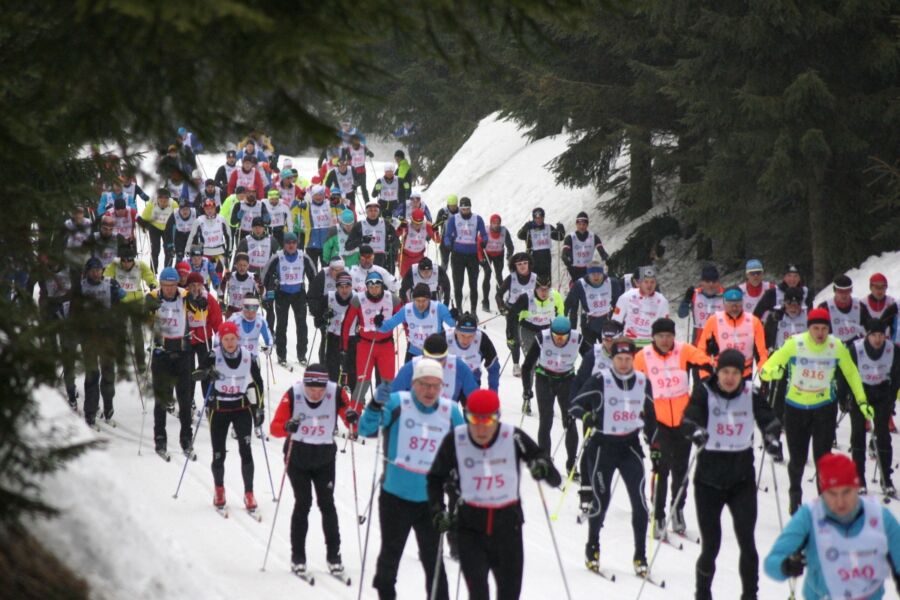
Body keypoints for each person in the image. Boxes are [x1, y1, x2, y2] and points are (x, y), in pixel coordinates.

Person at [427, 389, 561, 600]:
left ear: (497, 418)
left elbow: (553, 475)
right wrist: (437, 510)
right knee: (478, 594)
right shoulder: (456, 440)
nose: (481, 427)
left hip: (508, 531)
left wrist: (542, 467)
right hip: (470, 531)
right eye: (474, 419)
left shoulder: (513, 436)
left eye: (488, 420)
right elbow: (434, 478)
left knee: (509, 594)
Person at [358, 358, 465, 600]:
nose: (429, 391)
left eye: (435, 386)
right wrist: (375, 405)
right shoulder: (398, 403)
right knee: (389, 559)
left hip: (431, 502)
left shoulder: (451, 412)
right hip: (395, 497)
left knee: (434, 564)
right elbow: (365, 430)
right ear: (414, 384)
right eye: (424, 384)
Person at [680, 349, 782, 600]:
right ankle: (702, 594)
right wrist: (695, 431)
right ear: (717, 371)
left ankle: (750, 595)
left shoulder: (751, 393)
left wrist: (771, 438)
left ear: (742, 374)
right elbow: (689, 417)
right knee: (711, 546)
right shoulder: (704, 391)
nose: (729, 377)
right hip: (708, 482)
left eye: (735, 373)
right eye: (725, 372)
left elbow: (769, 419)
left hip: (741, 481)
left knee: (747, 543)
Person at [760, 307, 873, 514]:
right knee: (798, 460)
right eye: (816, 329)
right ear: (809, 328)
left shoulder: (836, 346)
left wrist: (862, 400)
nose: (820, 333)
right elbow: (766, 369)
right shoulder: (794, 344)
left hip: (824, 409)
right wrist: (772, 372)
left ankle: (824, 503)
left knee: (824, 459)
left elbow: (852, 374)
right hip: (796, 409)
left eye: (824, 329)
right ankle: (795, 498)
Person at [569, 337, 656, 576]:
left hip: (629, 448)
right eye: (620, 359)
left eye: (629, 359)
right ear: (613, 359)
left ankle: (640, 557)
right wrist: (587, 417)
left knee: (640, 505)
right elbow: (575, 404)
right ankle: (592, 547)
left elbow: (651, 417)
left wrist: (656, 445)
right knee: (601, 501)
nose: (624, 363)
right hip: (602, 448)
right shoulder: (601, 380)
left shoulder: (642, 382)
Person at [764, 452, 900, 600]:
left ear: (856, 487)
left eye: (846, 492)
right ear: (822, 491)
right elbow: (772, 562)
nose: (840, 502)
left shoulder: (880, 517)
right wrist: (786, 566)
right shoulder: (809, 516)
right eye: (832, 494)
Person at [269, 364, 360, 576]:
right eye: (312, 390)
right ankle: (298, 557)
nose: (317, 394)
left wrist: (352, 419)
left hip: (324, 457)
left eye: (320, 390)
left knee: (327, 504)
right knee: (303, 503)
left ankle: (334, 556)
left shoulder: (336, 392)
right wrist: (286, 427)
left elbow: (350, 418)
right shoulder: (293, 393)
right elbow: (275, 427)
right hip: (297, 456)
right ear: (305, 384)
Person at [633, 317, 712, 538]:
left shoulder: (684, 350)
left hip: (683, 421)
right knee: (661, 467)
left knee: (681, 470)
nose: (665, 340)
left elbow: (705, 363)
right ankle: (658, 514)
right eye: (660, 336)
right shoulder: (643, 356)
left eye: (668, 336)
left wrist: (707, 377)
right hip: (656, 422)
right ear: (653, 337)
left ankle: (677, 509)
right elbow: (631, 382)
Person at [199, 321, 259, 511]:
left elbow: (258, 383)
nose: (230, 343)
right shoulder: (213, 355)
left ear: (238, 338)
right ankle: (219, 489)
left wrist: (259, 409)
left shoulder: (248, 356)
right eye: (226, 339)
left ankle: (249, 493)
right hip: (219, 409)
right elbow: (197, 374)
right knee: (218, 453)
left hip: (241, 408)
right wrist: (208, 373)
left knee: (246, 451)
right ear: (220, 340)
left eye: (233, 338)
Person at [845, 319, 900, 494]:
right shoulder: (856, 349)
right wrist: (845, 397)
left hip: (882, 392)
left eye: (881, 335)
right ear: (867, 335)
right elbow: (846, 372)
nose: (878, 339)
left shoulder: (893, 350)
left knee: (883, 435)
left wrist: (891, 399)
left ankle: (886, 478)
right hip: (861, 392)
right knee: (858, 434)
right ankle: (859, 478)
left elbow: (897, 377)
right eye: (874, 335)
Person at [144, 267, 194, 458]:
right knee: (161, 400)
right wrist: (148, 304)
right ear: (161, 284)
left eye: (172, 286)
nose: (169, 290)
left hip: (182, 353)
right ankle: (160, 439)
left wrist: (199, 298)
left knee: (185, 399)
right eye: (166, 286)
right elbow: (144, 307)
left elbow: (196, 297)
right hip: (161, 354)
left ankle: (186, 439)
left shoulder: (183, 295)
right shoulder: (154, 295)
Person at [521, 316, 582, 472]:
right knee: (546, 420)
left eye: (563, 337)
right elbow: (527, 366)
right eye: (556, 336)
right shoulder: (542, 338)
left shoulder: (577, 339)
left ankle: (571, 464)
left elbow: (592, 360)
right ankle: (545, 460)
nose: (559, 340)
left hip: (567, 380)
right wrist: (527, 389)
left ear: (570, 333)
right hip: (544, 379)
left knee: (569, 422)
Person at [73, 257, 124, 428]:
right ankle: (90, 413)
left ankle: (108, 408)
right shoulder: (80, 287)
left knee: (108, 373)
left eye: (99, 270)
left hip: (107, 336)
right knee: (92, 375)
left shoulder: (110, 285)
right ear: (87, 271)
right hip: (89, 337)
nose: (96, 273)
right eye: (93, 270)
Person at [340, 271, 402, 401]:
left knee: (387, 383)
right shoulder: (358, 299)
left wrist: (409, 335)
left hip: (386, 346)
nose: (374, 290)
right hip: (365, 345)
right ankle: (355, 411)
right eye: (371, 287)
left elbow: (406, 316)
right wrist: (344, 347)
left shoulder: (392, 298)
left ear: (382, 286)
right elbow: (346, 324)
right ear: (367, 287)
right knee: (363, 382)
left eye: (377, 287)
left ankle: (384, 412)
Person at [261, 231, 316, 368]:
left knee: (302, 325)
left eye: (293, 243)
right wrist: (265, 293)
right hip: (282, 293)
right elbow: (265, 275)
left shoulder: (303, 257)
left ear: (297, 244)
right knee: (281, 325)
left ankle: (302, 354)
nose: (291, 245)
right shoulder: (277, 257)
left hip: (299, 293)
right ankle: (281, 354)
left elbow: (313, 276)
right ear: (284, 245)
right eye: (288, 243)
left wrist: (313, 295)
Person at [508, 275, 565, 403]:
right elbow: (511, 315)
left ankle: (547, 398)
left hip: (546, 331)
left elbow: (561, 317)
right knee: (531, 364)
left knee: (548, 365)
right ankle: (527, 397)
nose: (544, 292)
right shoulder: (526, 297)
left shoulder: (555, 296)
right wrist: (510, 334)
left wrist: (561, 335)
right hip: (527, 330)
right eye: (541, 289)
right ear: (535, 288)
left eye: (547, 289)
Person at [762, 286, 808, 439]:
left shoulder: (808, 315)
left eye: (797, 304)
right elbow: (766, 337)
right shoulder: (777, 315)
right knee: (778, 395)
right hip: (780, 358)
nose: (793, 308)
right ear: (784, 303)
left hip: (801, 361)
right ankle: (773, 434)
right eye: (790, 304)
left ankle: (795, 425)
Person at [697, 286, 768, 379]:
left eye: (738, 303)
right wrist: (704, 374)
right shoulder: (714, 320)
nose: (734, 308)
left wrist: (764, 374)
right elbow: (702, 349)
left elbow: (762, 352)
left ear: (742, 302)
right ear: (724, 303)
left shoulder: (754, 321)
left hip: (745, 373)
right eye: (730, 303)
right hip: (721, 373)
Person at [391, 334, 479, 405]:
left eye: (440, 360)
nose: (435, 364)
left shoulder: (460, 367)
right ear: (423, 356)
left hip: (447, 420)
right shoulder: (410, 369)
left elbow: (476, 398)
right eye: (430, 359)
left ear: (446, 357)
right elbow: (392, 400)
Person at [377, 283, 455, 361]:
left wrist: (455, 317)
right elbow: (387, 326)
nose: (421, 304)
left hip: (435, 353)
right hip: (414, 352)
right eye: (418, 301)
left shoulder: (439, 308)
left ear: (429, 299)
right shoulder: (407, 309)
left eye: (424, 300)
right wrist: (379, 323)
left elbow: (454, 326)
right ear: (413, 299)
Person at [443, 197, 488, 314]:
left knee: (473, 285)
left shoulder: (477, 219)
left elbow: (484, 234)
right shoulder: (454, 219)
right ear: (460, 209)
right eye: (463, 209)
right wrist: (448, 244)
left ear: (470, 208)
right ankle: (459, 310)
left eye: (467, 209)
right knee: (458, 285)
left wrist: (484, 241)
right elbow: (447, 235)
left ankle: (473, 311)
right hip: (458, 255)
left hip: (472, 256)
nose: (465, 211)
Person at [564, 259, 622, 348]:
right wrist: (571, 328)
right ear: (588, 274)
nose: (596, 277)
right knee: (590, 352)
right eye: (593, 274)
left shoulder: (612, 282)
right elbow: (568, 304)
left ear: (603, 273)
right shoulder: (580, 285)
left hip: (607, 322)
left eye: (599, 274)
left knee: (609, 351)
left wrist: (618, 322)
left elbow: (619, 303)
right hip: (589, 324)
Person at [497, 252, 537, 377]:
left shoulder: (536, 278)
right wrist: (502, 307)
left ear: (529, 264)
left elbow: (545, 293)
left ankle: (533, 363)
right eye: (519, 264)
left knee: (531, 338)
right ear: (515, 266)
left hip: (530, 313)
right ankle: (516, 364)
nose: (522, 266)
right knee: (515, 339)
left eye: (525, 263)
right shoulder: (511, 278)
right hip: (513, 312)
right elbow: (498, 295)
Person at [185, 272, 222, 406]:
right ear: (188, 286)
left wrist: (221, 337)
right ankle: (188, 401)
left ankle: (208, 400)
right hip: (188, 338)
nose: (195, 288)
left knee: (206, 370)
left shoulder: (208, 299)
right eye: (192, 285)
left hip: (204, 338)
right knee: (188, 371)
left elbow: (216, 319)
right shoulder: (183, 297)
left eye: (198, 285)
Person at [312, 272, 355, 385]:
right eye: (341, 287)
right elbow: (317, 323)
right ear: (336, 287)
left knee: (352, 369)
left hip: (351, 338)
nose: (344, 290)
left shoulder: (357, 299)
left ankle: (354, 393)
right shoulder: (328, 298)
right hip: (333, 337)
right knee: (332, 370)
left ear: (351, 287)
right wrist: (324, 317)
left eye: (347, 287)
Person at [611, 265, 670, 347]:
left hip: (650, 346)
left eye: (652, 282)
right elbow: (615, 322)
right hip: (629, 344)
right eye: (646, 282)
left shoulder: (662, 301)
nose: (649, 286)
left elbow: (665, 328)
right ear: (639, 283)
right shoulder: (626, 297)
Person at [446, 312, 500, 392]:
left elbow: (493, 366)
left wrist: (493, 392)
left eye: (470, 336)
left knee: (475, 402)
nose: (466, 340)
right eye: (462, 335)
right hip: (449, 382)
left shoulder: (482, 339)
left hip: (472, 381)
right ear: (456, 331)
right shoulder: (445, 337)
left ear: (476, 332)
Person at [345, 201, 399, 270]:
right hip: (365, 260)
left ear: (379, 212)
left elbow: (397, 243)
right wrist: (361, 240)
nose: (373, 213)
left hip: (381, 261)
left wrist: (392, 241)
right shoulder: (359, 225)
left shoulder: (385, 224)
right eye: (370, 210)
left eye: (375, 210)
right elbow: (348, 246)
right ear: (366, 212)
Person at [678, 264, 725, 344]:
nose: (711, 285)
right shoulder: (695, 294)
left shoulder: (725, 294)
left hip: (720, 337)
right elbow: (682, 314)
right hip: (699, 339)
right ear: (701, 283)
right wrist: (686, 300)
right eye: (707, 281)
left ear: (718, 282)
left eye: (714, 281)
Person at [293, 184, 337, 268]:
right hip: (311, 243)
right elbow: (293, 210)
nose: (318, 197)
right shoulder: (307, 205)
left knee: (327, 269)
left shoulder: (329, 204)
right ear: (312, 195)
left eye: (320, 194)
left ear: (324, 195)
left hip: (327, 243)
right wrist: (298, 198)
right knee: (312, 270)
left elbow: (341, 210)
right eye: (316, 195)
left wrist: (338, 202)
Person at [819, 274, 870, 344]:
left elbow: (870, 329)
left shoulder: (860, 307)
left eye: (847, 291)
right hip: (833, 347)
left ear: (851, 291)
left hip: (855, 348)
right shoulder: (824, 308)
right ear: (835, 291)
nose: (844, 295)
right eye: (840, 291)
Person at [516, 207, 564, 281]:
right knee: (534, 283)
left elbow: (560, 237)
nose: (538, 220)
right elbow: (519, 236)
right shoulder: (529, 229)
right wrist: (525, 228)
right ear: (533, 218)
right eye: (536, 218)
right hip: (533, 259)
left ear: (543, 217)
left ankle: (551, 292)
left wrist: (560, 228)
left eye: (540, 218)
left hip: (546, 259)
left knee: (547, 283)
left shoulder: (548, 227)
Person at [561, 212, 609, 285]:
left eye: (584, 224)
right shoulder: (570, 237)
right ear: (576, 224)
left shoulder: (593, 237)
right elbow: (564, 254)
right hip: (574, 270)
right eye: (579, 224)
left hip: (588, 270)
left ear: (587, 225)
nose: (581, 227)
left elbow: (602, 251)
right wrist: (567, 262)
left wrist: (606, 257)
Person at [137, 189, 177, 273]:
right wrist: (145, 226)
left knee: (169, 251)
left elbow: (179, 218)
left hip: (167, 228)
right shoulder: (152, 204)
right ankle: (153, 272)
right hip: (154, 227)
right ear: (157, 199)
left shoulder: (173, 204)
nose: (163, 202)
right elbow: (143, 218)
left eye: (165, 200)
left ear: (168, 199)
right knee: (155, 249)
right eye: (161, 199)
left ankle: (167, 271)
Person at [479, 213, 514, 312]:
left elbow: (510, 245)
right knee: (488, 275)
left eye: (498, 223)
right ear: (491, 224)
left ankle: (500, 301)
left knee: (499, 276)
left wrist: (509, 255)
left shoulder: (504, 231)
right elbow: (478, 244)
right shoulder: (485, 230)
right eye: (494, 223)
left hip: (499, 254)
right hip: (487, 254)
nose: (496, 225)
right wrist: (480, 258)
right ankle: (485, 301)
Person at [395, 208, 438, 277]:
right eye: (415, 223)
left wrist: (436, 231)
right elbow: (396, 235)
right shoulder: (407, 225)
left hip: (419, 258)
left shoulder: (427, 225)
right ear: (411, 219)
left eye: (420, 223)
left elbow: (438, 240)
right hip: (405, 258)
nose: (417, 226)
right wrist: (400, 227)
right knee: (406, 281)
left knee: (419, 281)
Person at [186, 200, 230, 266]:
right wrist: (188, 249)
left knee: (219, 275)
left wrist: (229, 249)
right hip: (205, 252)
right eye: (207, 209)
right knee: (205, 275)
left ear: (215, 208)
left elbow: (229, 236)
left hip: (219, 251)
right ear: (204, 209)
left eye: (212, 208)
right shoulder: (199, 220)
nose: (209, 211)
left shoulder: (222, 219)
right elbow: (191, 236)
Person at [220, 253, 262, 319]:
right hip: (232, 310)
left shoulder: (253, 277)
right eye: (240, 265)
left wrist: (260, 283)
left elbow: (263, 293)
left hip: (247, 311)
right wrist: (224, 280)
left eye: (244, 265)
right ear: (236, 265)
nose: (242, 268)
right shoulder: (230, 277)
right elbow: (220, 292)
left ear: (248, 266)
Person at [343, 134, 374, 204]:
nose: (355, 143)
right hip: (351, 172)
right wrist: (344, 160)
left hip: (361, 171)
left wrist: (370, 153)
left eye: (357, 141)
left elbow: (371, 153)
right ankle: (351, 205)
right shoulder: (348, 148)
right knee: (351, 189)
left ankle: (367, 204)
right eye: (354, 141)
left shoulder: (363, 147)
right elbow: (342, 155)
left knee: (364, 189)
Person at [865, 273, 898, 337]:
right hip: (868, 341)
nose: (880, 290)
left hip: (888, 341)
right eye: (877, 287)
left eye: (883, 287)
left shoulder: (892, 303)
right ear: (870, 287)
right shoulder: (862, 303)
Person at [432, 195, 459, 270]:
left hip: (457, 240)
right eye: (451, 206)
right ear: (448, 205)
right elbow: (435, 226)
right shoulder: (443, 211)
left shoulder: (460, 211)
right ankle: (442, 279)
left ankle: (456, 280)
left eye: (455, 206)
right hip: (445, 239)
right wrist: (442, 219)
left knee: (455, 264)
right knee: (444, 263)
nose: (453, 208)